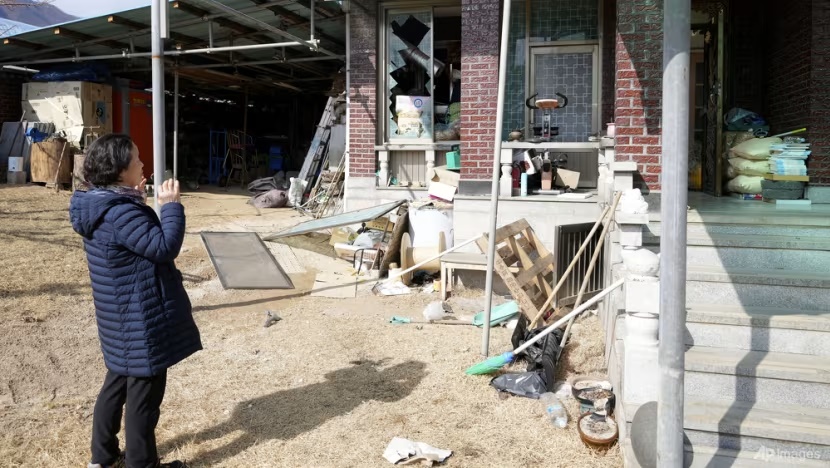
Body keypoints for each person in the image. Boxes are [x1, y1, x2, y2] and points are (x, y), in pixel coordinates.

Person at [69, 134, 202, 468]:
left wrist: (139, 202)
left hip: (120, 318)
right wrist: (171, 207)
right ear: (119, 171)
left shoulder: (100, 203)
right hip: (141, 320)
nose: (143, 165)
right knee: (145, 396)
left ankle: (103, 457)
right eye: (137, 160)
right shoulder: (120, 212)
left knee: (116, 384)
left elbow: (135, 244)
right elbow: (162, 248)